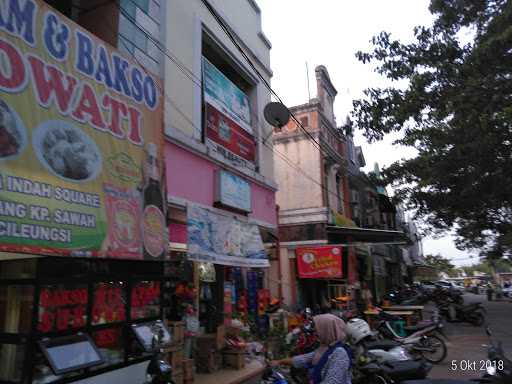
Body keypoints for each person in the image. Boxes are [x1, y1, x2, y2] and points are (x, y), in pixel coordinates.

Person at [271, 314, 352, 384]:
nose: (316, 333)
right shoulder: (324, 348)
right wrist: (279, 361)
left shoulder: (339, 353)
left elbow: (331, 381)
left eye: (318, 330)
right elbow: (302, 359)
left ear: (327, 330)